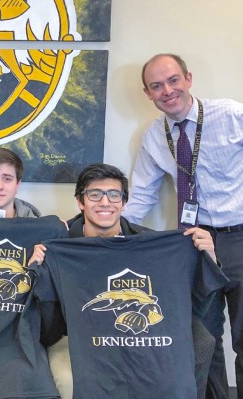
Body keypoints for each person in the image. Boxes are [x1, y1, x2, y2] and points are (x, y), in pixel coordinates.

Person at [123, 53, 243, 399]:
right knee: (203, 336)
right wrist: (106, 234)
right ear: (148, 93)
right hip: (195, 241)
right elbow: (142, 195)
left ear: (188, 79)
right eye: (157, 86)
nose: (168, 90)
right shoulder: (154, 136)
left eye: (173, 80)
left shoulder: (232, 114)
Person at [31, 163, 220, 399]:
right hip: (81, 332)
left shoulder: (150, 243)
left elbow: (192, 298)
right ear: (80, 202)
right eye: (94, 195)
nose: (105, 202)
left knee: (202, 341)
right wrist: (38, 268)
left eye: (114, 195)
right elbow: (47, 317)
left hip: (145, 331)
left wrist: (208, 257)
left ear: (123, 202)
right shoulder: (61, 244)